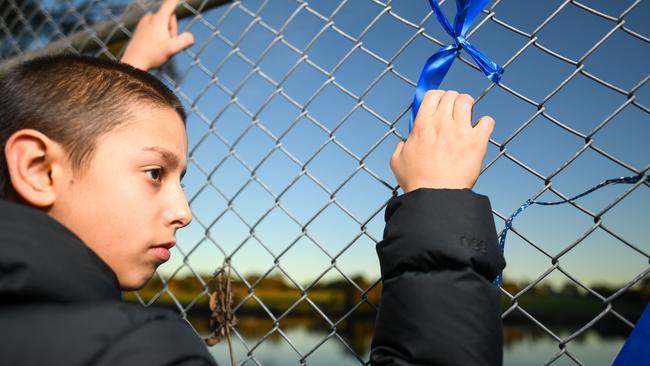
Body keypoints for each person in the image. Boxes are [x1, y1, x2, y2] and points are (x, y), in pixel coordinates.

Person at [0, 1, 504, 366]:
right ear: (39, 169)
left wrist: (124, 77)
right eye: (155, 174)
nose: (184, 212)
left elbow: (86, 147)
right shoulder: (139, 351)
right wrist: (439, 203)